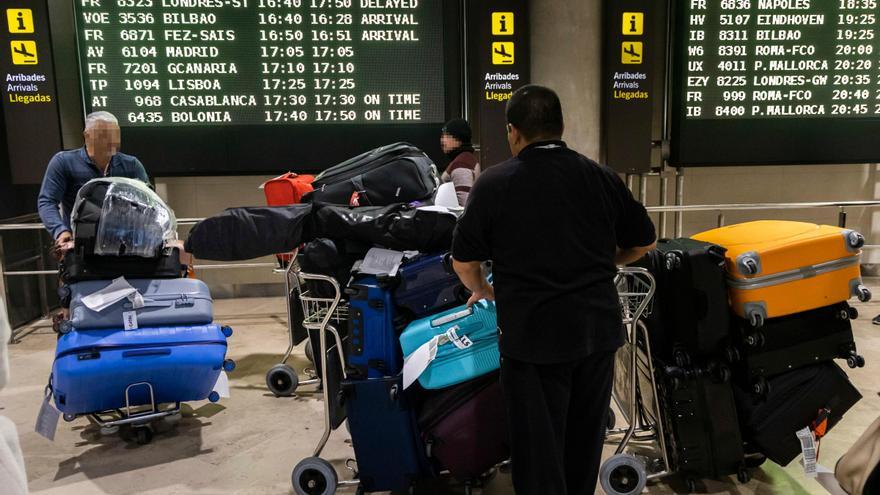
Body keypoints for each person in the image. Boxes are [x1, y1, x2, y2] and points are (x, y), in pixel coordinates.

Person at [451, 85, 656, 494]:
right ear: (561, 127)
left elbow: (464, 263)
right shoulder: (599, 176)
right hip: (595, 334)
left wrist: (487, 291)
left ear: (513, 131)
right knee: (583, 443)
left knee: (537, 451)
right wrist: (603, 261)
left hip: (532, 339)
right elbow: (644, 242)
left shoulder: (495, 183)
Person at [37, 111, 149, 253]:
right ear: (87, 135)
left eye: (116, 134)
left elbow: (149, 203)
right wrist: (61, 231)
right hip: (81, 245)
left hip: (124, 246)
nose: (113, 141)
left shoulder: (131, 165)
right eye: (105, 135)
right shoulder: (64, 162)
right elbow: (47, 202)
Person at [439, 118, 480, 206]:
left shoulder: (461, 163)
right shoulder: (465, 159)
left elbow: (463, 207)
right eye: (442, 136)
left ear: (459, 139)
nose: (442, 141)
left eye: (447, 136)